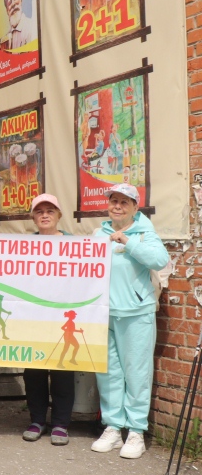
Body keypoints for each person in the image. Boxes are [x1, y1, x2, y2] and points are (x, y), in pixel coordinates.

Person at [91, 183, 169, 460]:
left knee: (136, 373)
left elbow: (159, 260)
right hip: (105, 314)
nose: (118, 206)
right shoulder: (99, 234)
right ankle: (113, 427)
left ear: (135, 207)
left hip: (136, 313)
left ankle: (136, 431)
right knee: (109, 373)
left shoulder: (145, 233)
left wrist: (128, 241)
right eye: (114, 201)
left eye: (124, 202)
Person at [21, 193, 75, 446]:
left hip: (62, 315)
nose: (45, 215)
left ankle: (61, 423)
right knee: (34, 370)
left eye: (50, 211)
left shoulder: (75, 244)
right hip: (35, 318)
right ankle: (37, 420)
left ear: (58, 215)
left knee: (62, 371)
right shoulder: (23, 246)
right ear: (33, 217)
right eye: (39, 211)